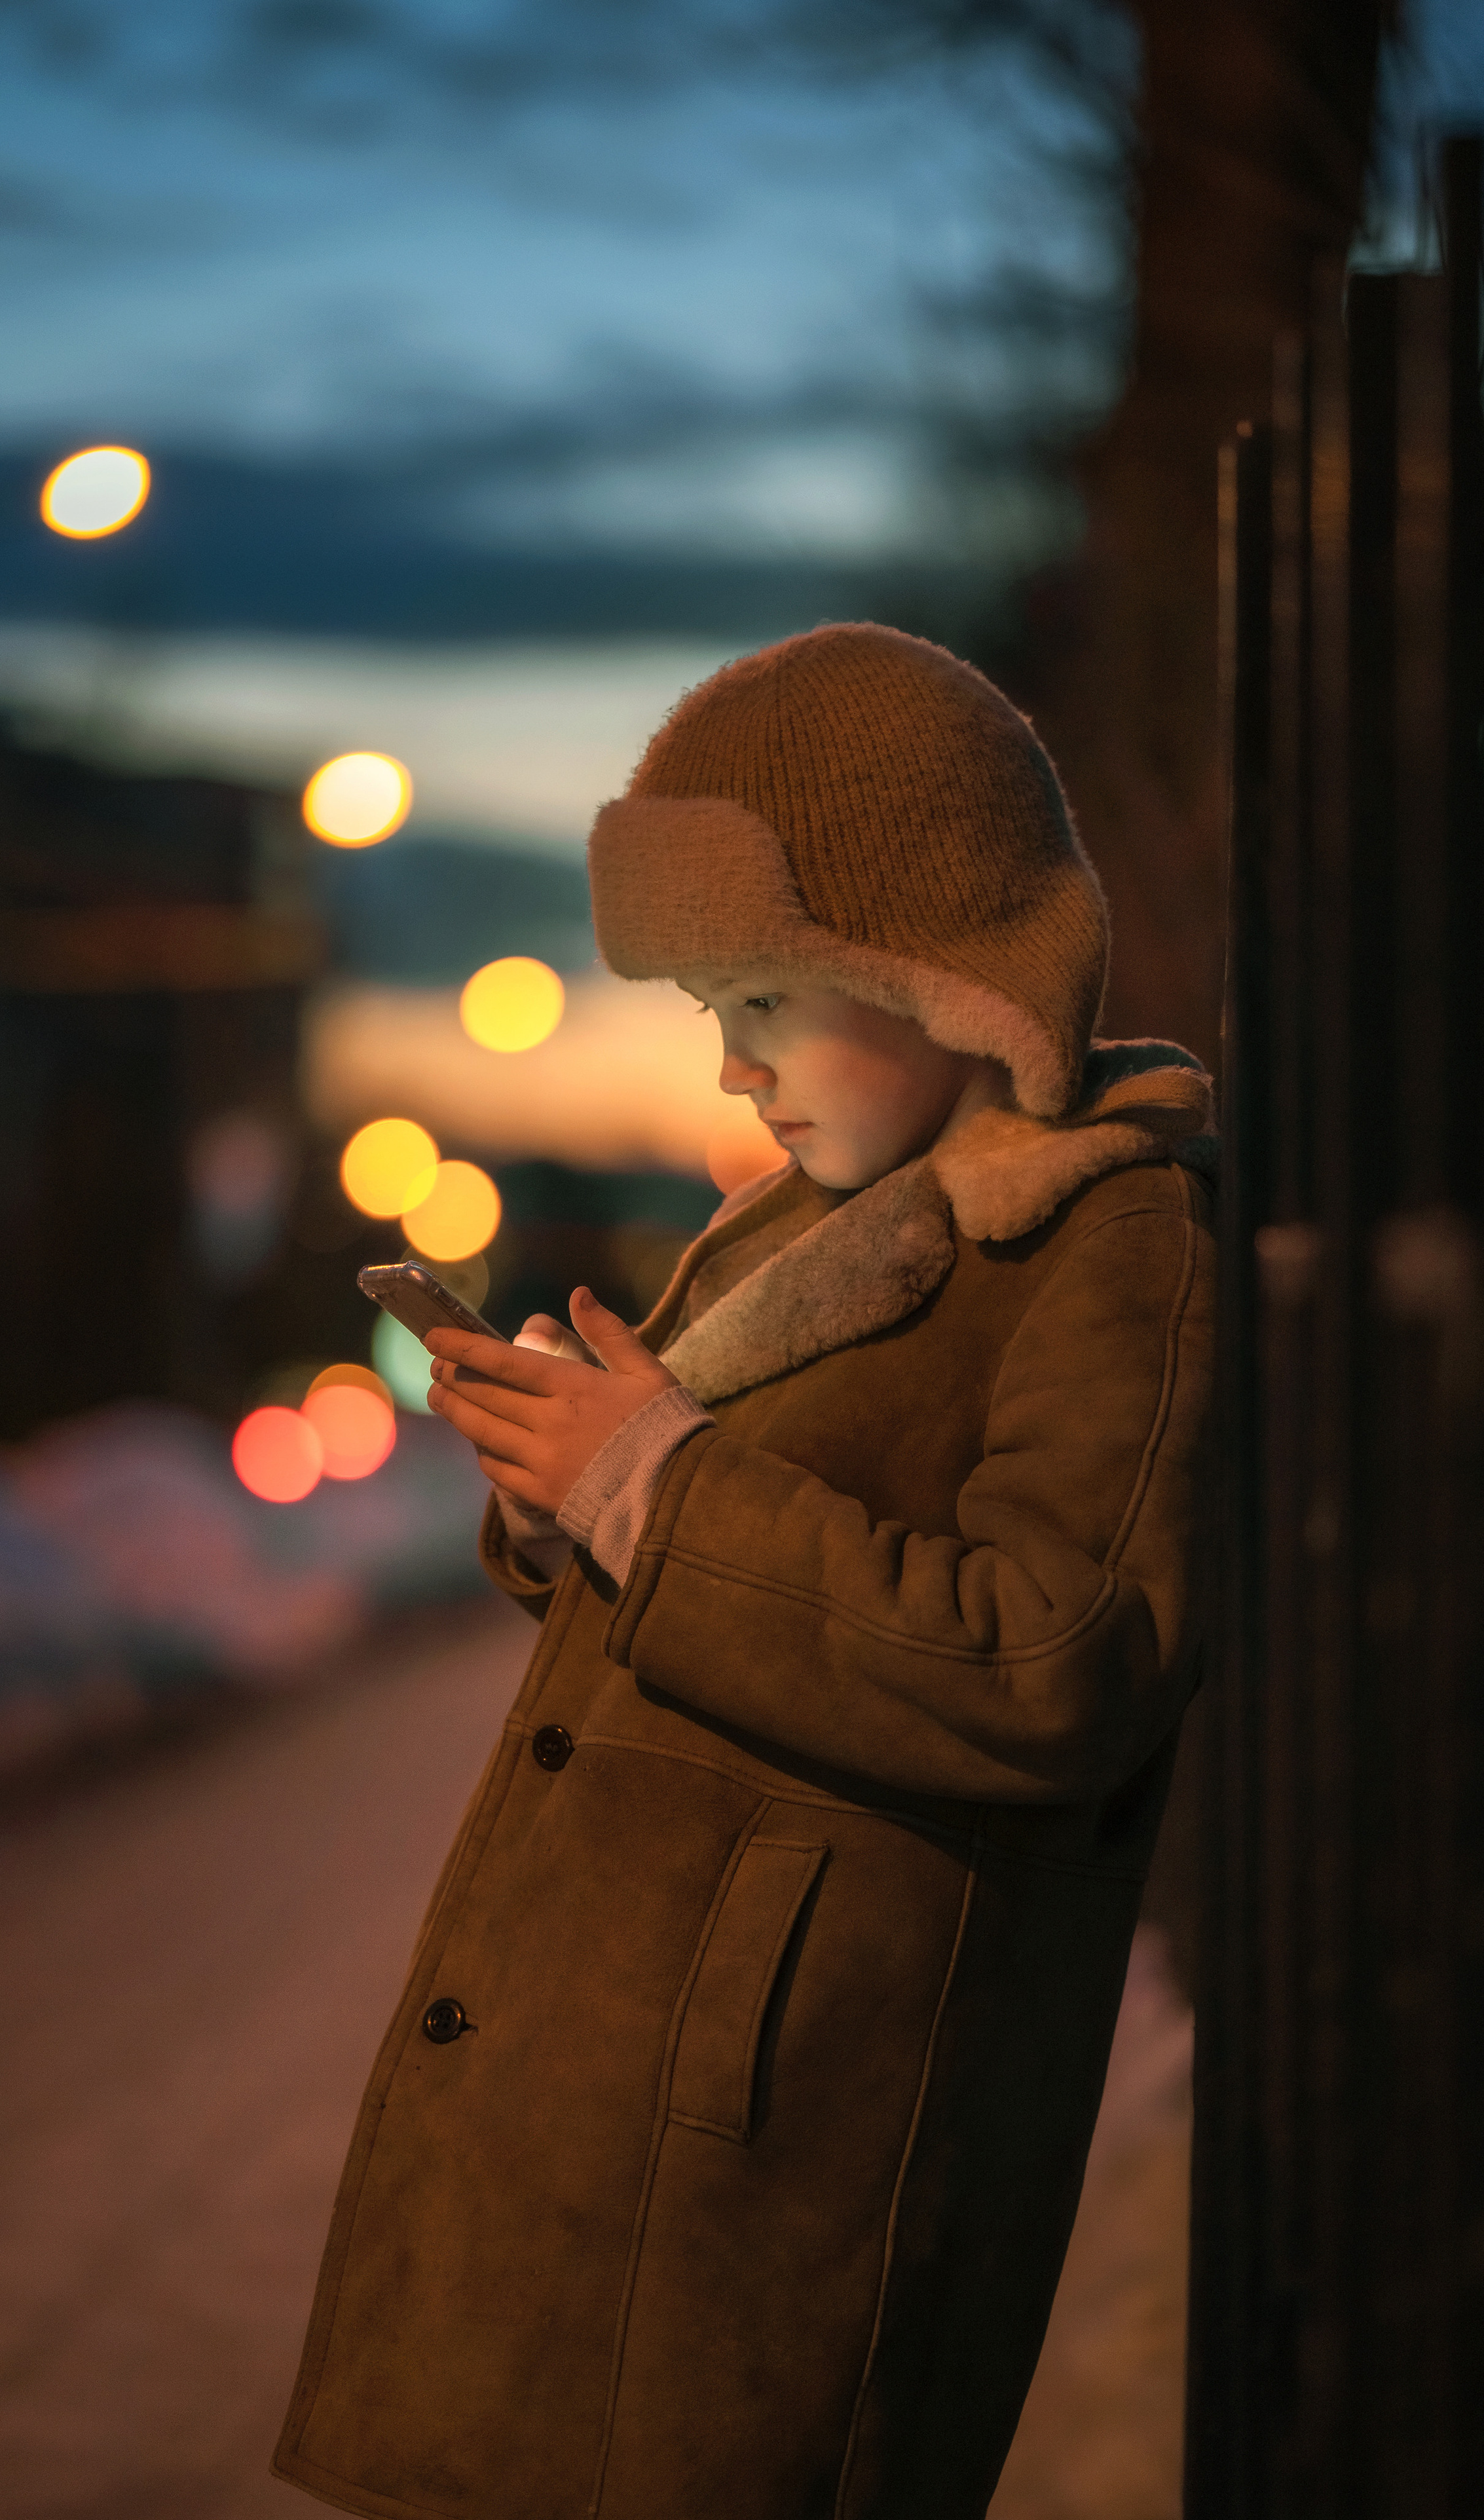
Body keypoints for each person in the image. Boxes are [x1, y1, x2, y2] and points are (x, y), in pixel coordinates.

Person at [274, 624, 1216, 2520]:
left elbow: (1057, 1661)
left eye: (769, 998)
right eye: (715, 1005)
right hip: (616, 2097)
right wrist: (571, 1491)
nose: (732, 1066)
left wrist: (656, 1485)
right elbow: (705, 1571)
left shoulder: (1113, 1248)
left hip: (783, 2142)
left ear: (946, 969)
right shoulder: (807, 1228)